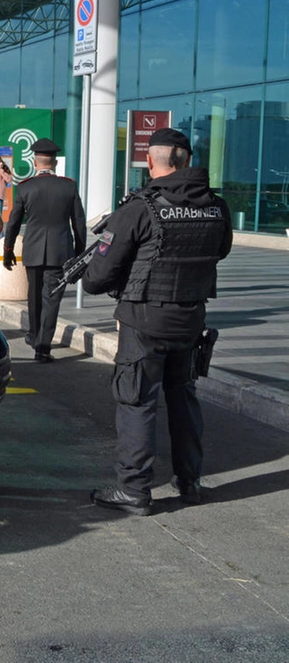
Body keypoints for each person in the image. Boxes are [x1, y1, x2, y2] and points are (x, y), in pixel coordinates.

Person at [83, 127, 232, 516]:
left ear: (151, 161)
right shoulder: (217, 206)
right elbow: (221, 250)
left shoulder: (139, 208)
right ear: (187, 161)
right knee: (183, 398)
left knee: (136, 402)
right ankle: (190, 481)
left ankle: (133, 491)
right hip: (190, 319)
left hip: (144, 322)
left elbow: (96, 278)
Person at [1, 137, 86, 363]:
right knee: (51, 299)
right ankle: (43, 347)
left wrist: (8, 249)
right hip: (60, 251)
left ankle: (34, 335)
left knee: (34, 297)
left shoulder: (26, 187)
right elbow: (79, 222)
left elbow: (13, 222)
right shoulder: (69, 186)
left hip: (32, 250)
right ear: (55, 163)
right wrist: (80, 254)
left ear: (35, 162)